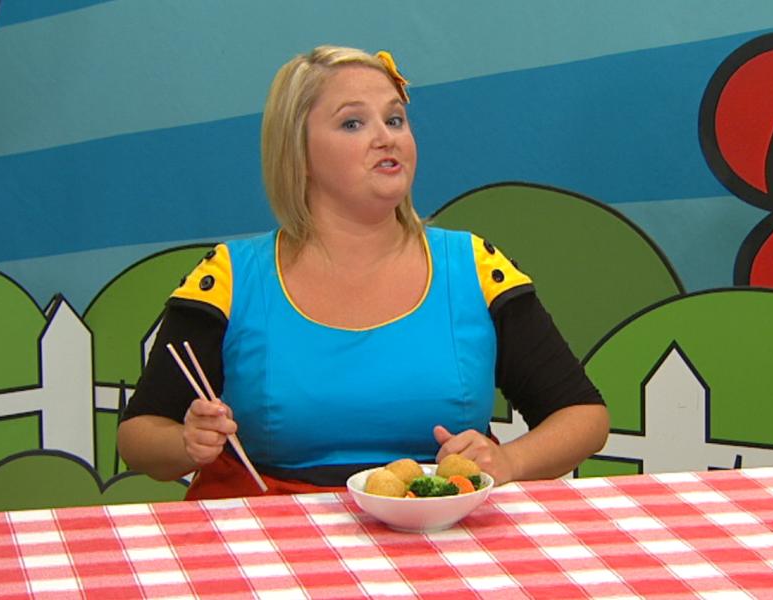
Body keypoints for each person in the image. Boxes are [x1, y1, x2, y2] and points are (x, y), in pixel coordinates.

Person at [117, 46, 609, 500]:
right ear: (298, 153)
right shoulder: (230, 277)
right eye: (353, 123)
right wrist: (186, 442)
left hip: (441, 534)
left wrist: (510, 461)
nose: (385, 137)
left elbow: (584, 415)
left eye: (395, 119)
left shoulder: (476, 267)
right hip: (272, 540)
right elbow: (138, 436)